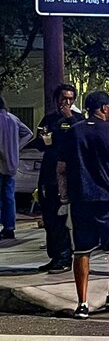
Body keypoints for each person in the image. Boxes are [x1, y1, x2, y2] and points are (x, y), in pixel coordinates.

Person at [56, 90, 109, 319]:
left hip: (80, 200)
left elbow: (61, 169)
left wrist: (64, 197)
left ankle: (82, 304)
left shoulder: (72, 133)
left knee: (81, 251)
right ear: (103, 108)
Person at [32, 83, 81, 270]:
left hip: (66, 176)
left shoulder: (77, 120)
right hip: (48, 173)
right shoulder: (49, 119)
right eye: (63, 98)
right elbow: (40, 142)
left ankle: (64, 257)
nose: (66, 102)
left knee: (62, 219)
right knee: (49, 217)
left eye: (70, 98)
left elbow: (80, 139)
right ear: (57, 99)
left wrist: (70, 118)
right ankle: (54, 256)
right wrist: (43, 140)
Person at [0, 96, 33, 241]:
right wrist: (16, 147)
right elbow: (29, 133)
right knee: (9, 197)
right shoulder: (13, 119)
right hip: (12, 163)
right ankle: (9, 228)